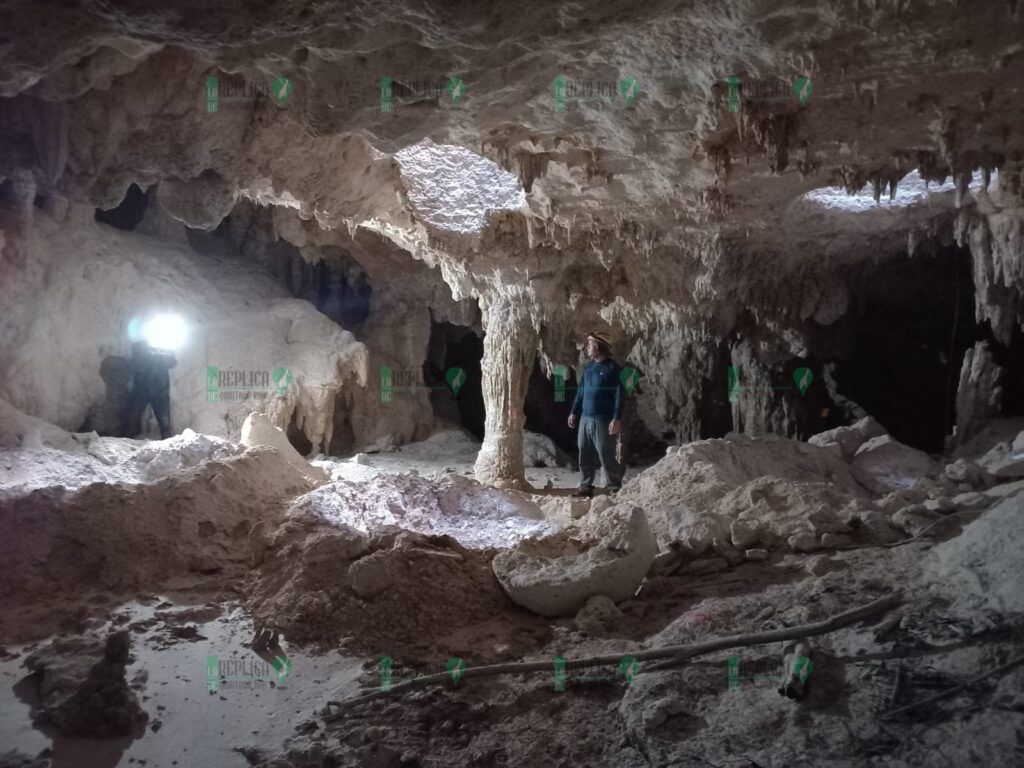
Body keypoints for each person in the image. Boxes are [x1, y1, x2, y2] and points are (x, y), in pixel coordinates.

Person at [567, 330, 624, 497]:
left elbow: (619, 395)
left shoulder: (613, 368)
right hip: (586, 416)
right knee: (584, 452)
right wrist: (574, 412)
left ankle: (614, 487)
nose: (587, 348)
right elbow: (581, 392)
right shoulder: (589, 368)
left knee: (606, 453)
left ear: (599, 347)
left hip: (603, 419)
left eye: (590, 345)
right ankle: (585, 487)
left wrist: (617, 418)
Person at [123, 340, 176, 439]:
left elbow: (172, 362)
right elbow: (132, 367)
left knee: (164, 423)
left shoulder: (159, 356)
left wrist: (167, 351)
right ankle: (128, 440)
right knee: (132, 419)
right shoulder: (143, 359)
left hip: (157, 394)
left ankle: (168, 443)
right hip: (144, 393)